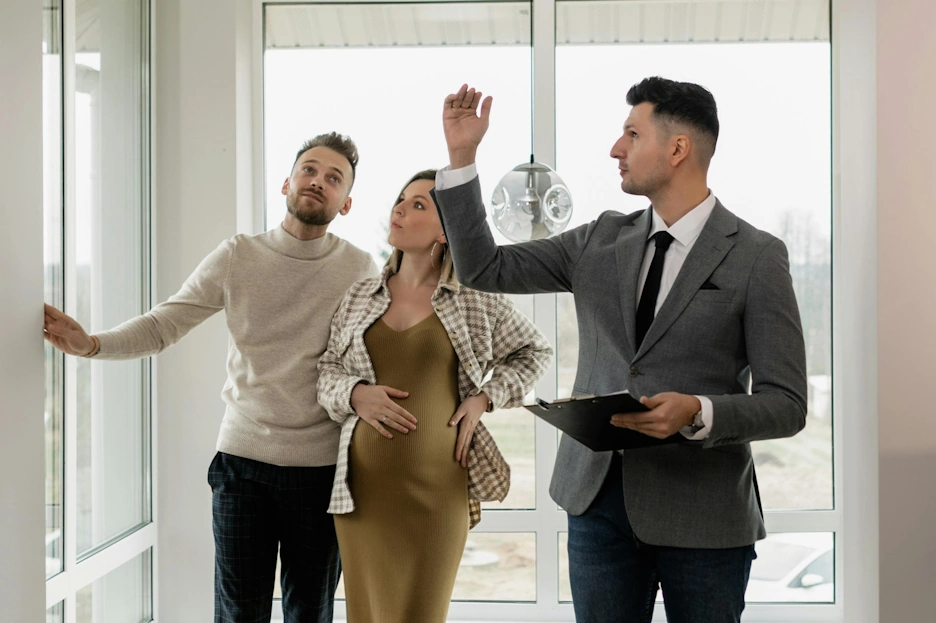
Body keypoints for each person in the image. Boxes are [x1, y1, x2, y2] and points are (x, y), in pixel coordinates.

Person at [434, 79, 808, 622]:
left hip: (704, 515)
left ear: (677, 149)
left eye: (632, 134)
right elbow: (483, 268)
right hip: (597, 506)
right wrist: (462, 158)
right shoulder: (598, 241)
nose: (616, 148)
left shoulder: (756, 257)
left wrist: (700, 411)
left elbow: (787, 403)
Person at [42, 132, 378, 623]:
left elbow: (374, 354)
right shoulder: (239, 255)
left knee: (312, 612)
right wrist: (92, 344)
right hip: (243, 465)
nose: (317, 181)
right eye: (309, 169)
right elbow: (164, 324)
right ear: (286, 182)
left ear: (346, 203)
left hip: (322, 472)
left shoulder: (358, 267)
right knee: (239, 613)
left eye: (333, 178)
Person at [316, 169, 553, 623]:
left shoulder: (474, 300)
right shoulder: (359, 296)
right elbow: (326, 370)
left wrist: (484, 398)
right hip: (361, 496)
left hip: (438, 494)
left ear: (446, 231)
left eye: (418, 204)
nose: (400, 209)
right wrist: (355, 393)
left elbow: (535, 351)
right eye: (401, 199)